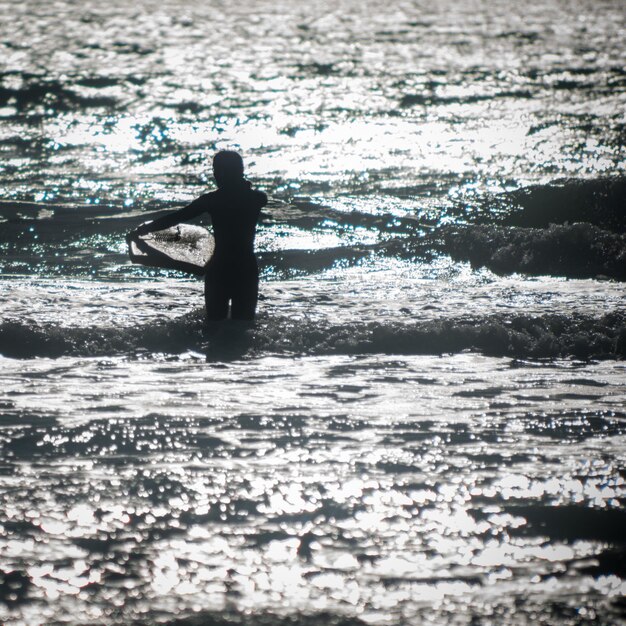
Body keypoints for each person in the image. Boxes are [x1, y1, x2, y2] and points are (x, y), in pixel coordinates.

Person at [130, 150, 267, 320]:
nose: (216, 174)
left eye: (219, 170)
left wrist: (145, 230)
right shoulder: (255, 198)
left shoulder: (212, 200)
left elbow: (178, 216)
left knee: (214, 326)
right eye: (215, 170)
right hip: (245, 267)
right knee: (243, 326)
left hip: (219, 268)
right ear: (241, 171)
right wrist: (243, 184)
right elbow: (254, 196)